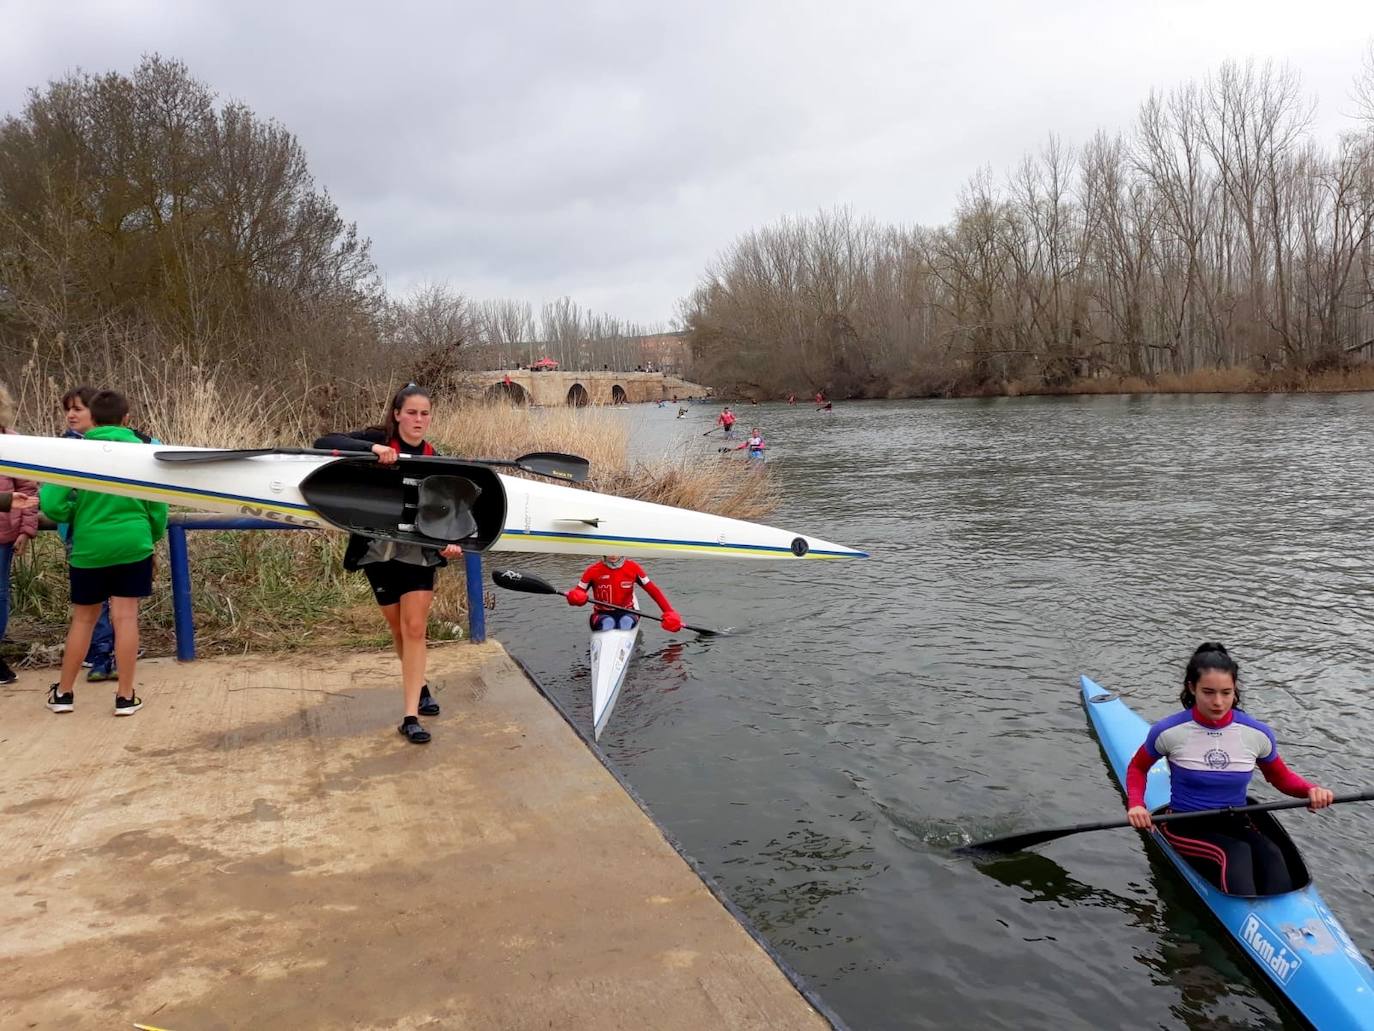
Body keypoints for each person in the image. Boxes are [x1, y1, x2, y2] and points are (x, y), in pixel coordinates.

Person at [315, 383, 462, 745]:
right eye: (411, 412)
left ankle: (410, 715)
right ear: (397, 414)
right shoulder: (376, 440)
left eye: (424, 413)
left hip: (417, 554)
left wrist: (449, 543)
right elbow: (322, 443)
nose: (418, 419)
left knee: (415, 628)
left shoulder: (434, 456)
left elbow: (447, 512)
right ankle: (421, 685)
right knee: (398, 630)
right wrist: (373, 449)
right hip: (377, 552)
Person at [1125, 642, 1334, 896]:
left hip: (1235, 819)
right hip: (1185, 823)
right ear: (1192, 688)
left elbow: (1280, 777)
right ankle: (1244, 914)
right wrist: (1136, 804)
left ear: (1235, 690)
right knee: (1235, 854)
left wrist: (1312, 791)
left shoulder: (1256, 734)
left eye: (1226, 693)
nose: (1218, 702)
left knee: (1272, 854)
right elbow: (1138, 767)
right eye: (1208, 692)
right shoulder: (1169, 732)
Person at [40, 390, 167, 716]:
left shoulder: (74, 451)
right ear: (127, 419)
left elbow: (51, 504)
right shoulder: (143, 451)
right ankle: (125, 696)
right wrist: (150, 537)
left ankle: (65, 694)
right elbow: (158, 506)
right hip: (133, 543)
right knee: (125, 618)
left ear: (92, 420)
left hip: (90, 547)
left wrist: (76, 512)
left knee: (83, 620)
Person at [1, 382, 39, 686]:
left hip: (4, 533)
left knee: (0, 594)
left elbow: (27, 489)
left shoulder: (12, 443)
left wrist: (27, 528)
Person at [566, 555, 682, 634]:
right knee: (608, 624)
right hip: (602, 613)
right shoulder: (592, 571)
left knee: (625, 623)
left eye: (617, 550)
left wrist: (668, 612)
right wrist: (575, 597)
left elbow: (653, 591)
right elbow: (578, 592)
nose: (613, 554)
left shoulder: (633, 568)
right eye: (608, 550)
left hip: (628, 612)